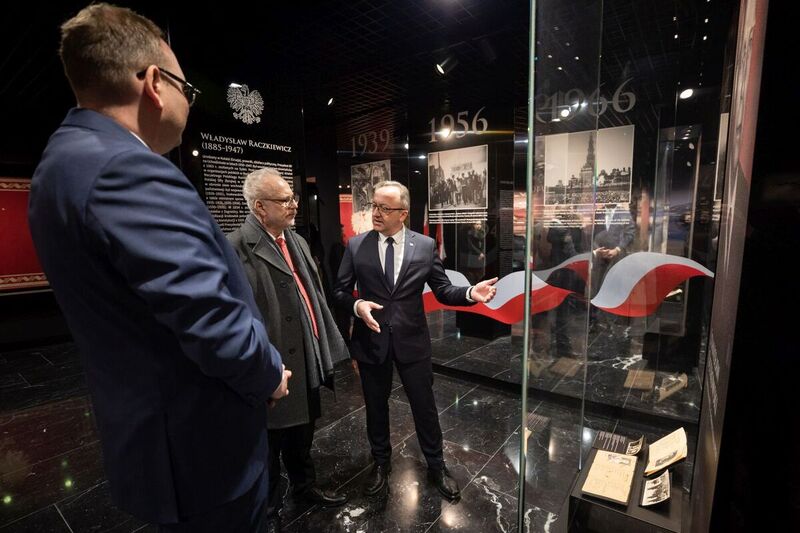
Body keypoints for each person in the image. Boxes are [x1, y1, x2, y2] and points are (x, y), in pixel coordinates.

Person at [27, 5, 289, 532]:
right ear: (153, 83)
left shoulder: (62, 163)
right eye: (186, 91)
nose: (188, 106)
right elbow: (211, 317)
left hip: (156, 440)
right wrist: (266, 375)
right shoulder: (127, 169)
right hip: (202, 451)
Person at [334, 180, 498, 500]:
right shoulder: (356, 246)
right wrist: (356, 305)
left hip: (413, 342)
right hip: (372, 340)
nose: (376, 213)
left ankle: (436, 465)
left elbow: (442, 289)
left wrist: (469, 293)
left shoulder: (424, 246)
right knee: (376, 408)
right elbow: (338, 291)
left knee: (424, 407)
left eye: (385, 207)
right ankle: (381, 463)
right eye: (374, 206)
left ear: (403, 213)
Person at [227, 169, 349, 532]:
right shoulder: (235, 247)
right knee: (269, 441)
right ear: (260, 207)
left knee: (304, 430)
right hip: (272, 363)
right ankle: (268, 508)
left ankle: (304, 486)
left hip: (306, 355)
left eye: (292, 197)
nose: (293, 204)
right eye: (285, 200)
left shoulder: (293, 239)